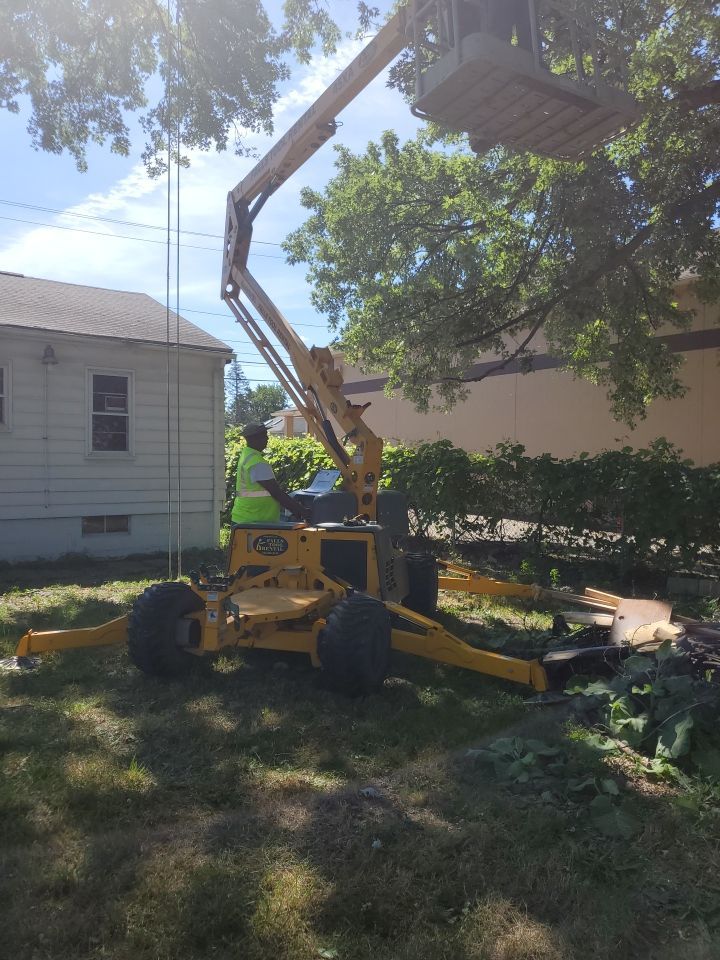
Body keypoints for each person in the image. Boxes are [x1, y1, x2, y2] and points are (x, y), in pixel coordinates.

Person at [231, 422, 309, 524]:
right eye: (264, 435)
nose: (267, 439)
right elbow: (276, 492)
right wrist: (302, 511)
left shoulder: (247, 455)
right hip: (254, 521)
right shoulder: (256, 462)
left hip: (247, 518)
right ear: (254, 438)